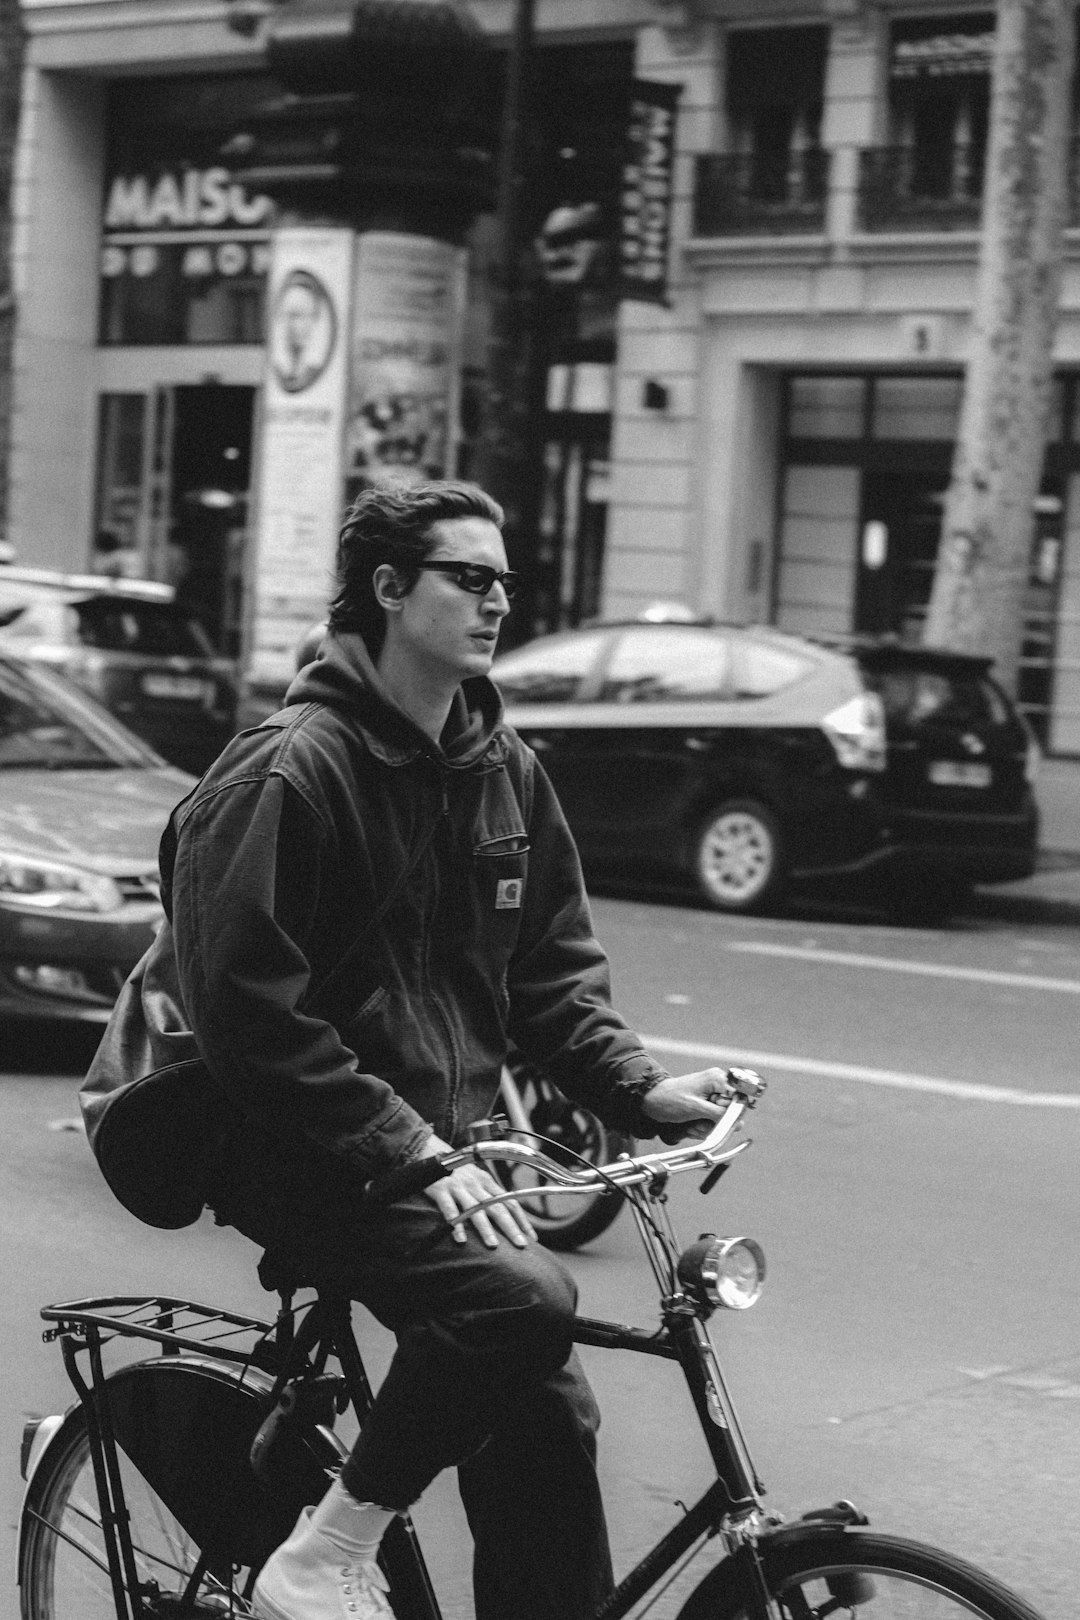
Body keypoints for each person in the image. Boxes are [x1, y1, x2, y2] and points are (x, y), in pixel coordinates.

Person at [157, 479, 734, 1620]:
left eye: (505, 581)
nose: (498, 601)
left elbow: (548, 975)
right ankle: (325, 1555)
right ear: (387, 588)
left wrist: (638, 1088)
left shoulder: (499, 769)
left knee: (549, 1420)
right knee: (521, 1301)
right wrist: (413, 1147)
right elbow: (245, 1013)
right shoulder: (291, 769)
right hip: (292, 1137)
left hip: (429, 1150)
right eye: (470, 577)